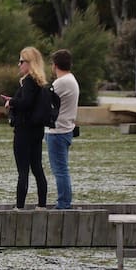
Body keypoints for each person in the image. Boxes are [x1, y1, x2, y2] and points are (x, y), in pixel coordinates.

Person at [1, 47, 48, 209]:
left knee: (23, 171)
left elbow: (26, 103)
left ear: (29, 63)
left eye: (21, 61)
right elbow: (30, 102)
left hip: (24, 131)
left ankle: (19, 207)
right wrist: (14, 99)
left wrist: (11, 102)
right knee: (37, 168)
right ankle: (42, 205)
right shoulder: (39, 82)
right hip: (36, 131)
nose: (19, 64)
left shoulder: (28, 82)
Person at [46, 49, 80, 209]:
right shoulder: (71, 79)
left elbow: (44, 100)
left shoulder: (61, 82)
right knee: (62, 168)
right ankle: (64, 202)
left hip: (58, 131)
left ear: (55, 65)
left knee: (60, 170)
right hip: (67, 129)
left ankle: (63, 204)